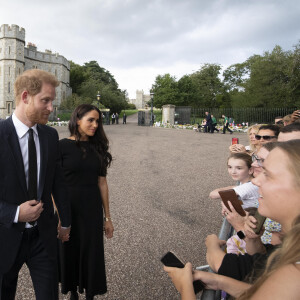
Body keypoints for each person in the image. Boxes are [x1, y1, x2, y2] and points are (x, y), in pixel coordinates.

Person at [164, 140, 300, 300]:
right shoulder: (292, 247)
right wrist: (218, 281)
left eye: (268, 175)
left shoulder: (294, 272)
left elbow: (245, 268)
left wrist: (185, 287)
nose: (256, 181)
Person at [0, 69, 71, 300]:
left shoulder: (50, 136)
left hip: (43, 237)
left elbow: (58, 183)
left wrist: (66, 222)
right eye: (45, 100)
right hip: (6, 235)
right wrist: (15, 212)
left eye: (52, 101)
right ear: (24, 97)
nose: (51, 108)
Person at [59, 104, 114, 300]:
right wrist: (59, 213)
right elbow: (53, 184)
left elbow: (102, 183)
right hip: (68, 208)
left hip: (91, 209)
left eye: (97, 121)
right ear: (78, 119)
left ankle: (90, 294)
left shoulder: (98, 148)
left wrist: (107, 217)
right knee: (69, 250)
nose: (95, 125)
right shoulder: (62, 146)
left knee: (92, 252)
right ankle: (73, 292)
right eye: (91, 120)